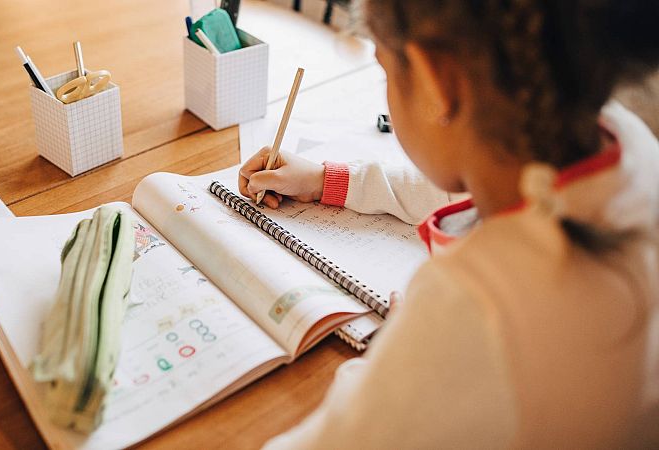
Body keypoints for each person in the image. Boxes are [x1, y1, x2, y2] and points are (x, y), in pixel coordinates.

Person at [239, 1, 659, 447]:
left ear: (434, 82)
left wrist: (404, 348)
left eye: (384, 69)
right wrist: (329, 180)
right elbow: (467, 185)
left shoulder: (471, 306)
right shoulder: (628, 142)